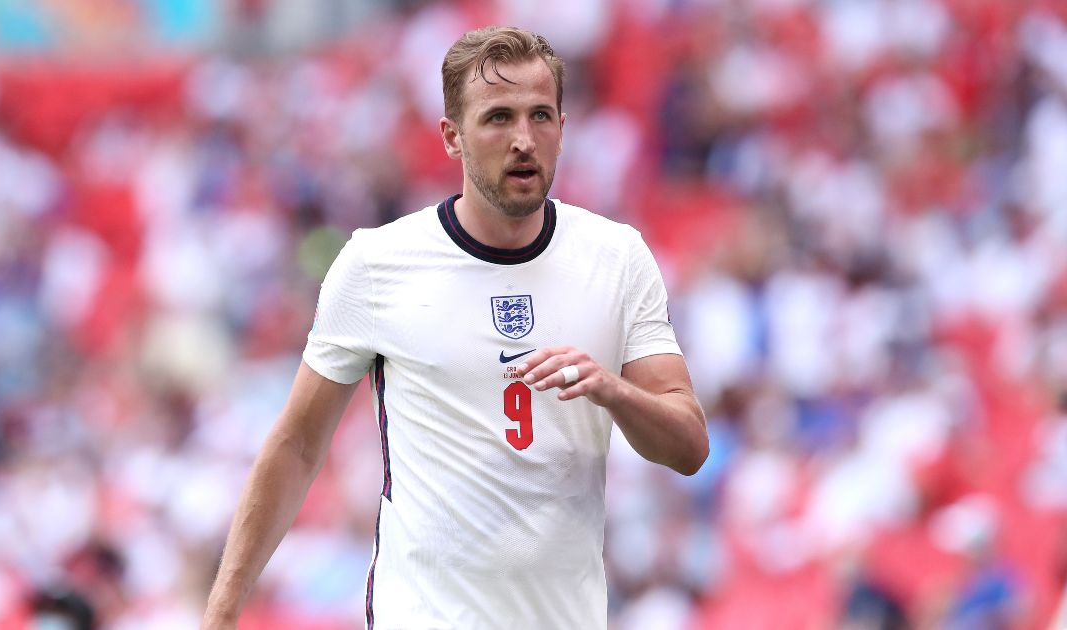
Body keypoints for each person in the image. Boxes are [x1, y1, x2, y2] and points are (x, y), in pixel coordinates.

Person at [202, 26, 709, 630]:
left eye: (540, 116)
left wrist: (613, 390)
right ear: (451, 137)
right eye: (498, 118)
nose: (524, 140)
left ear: (563, 127)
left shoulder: (617, 258)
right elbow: (298, 445)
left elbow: (689, 446)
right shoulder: (377, 264)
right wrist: (223, 609)